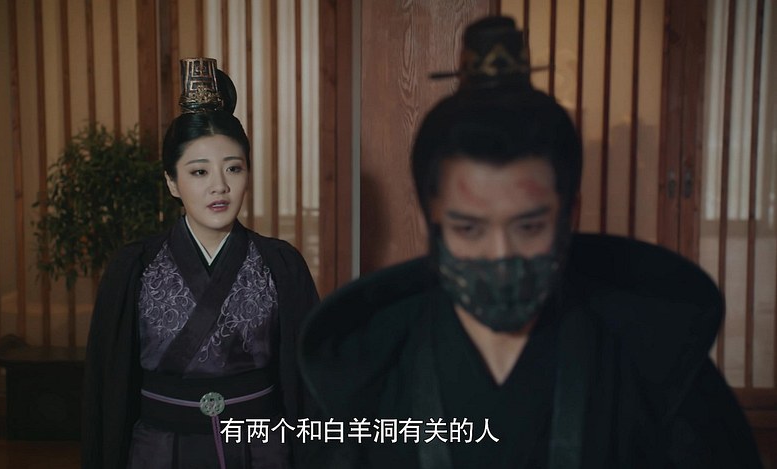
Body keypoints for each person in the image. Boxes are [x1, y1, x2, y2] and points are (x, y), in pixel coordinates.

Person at [298, 16, 762, 468]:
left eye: (528, 227)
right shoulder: (369, 362)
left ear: (569, 215)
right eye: (469, 229)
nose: (500, 255)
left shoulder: (650, 356)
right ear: (430, 220)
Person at [82, 57, 319, 469]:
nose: (219, 186)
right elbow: (109, 387)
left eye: (233, 168)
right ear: (172, 182)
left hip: (261, 451)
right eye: (198, 172)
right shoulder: (135, 267)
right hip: (160, 452)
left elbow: (308, 385)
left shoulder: (281, 265)